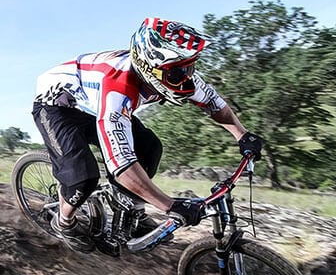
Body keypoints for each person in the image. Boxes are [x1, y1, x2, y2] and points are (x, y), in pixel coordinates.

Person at [32, 17, 263, 253]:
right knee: (82, 177)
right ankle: (63, 222)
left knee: (150, 146)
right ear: (149, 68)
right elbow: (121, 165)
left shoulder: (168, 71)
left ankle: (133, 209)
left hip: (91, 103)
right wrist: (169, 205)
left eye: (189, 67)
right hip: (56, 107)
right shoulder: (118, 93)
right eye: (177, 73)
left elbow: (213, 103)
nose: (185, 77)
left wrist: (242, 135)